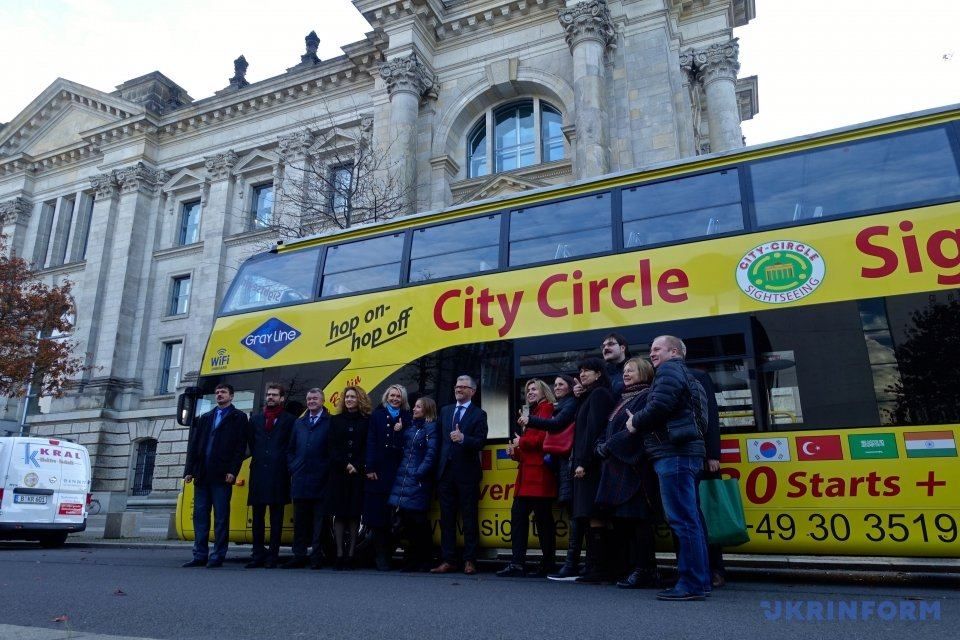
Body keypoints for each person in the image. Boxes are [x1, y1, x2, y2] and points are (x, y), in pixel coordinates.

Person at [625, 335, 710, 601]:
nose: (651, 354)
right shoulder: (687, 376)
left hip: (674, 455)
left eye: (656, 349)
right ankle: (699, 580)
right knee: (690, 519)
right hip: (684, 454)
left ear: (674, 351)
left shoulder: (669, 370)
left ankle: (691, 583)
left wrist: (635, 422)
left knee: (682, 520)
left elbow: (660, 406)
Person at [595, 357, 660, 589]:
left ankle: (645, 569)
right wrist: (601, 444)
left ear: (644, 372)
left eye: (630, 370)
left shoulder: (646, 396)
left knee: (639, 520)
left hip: (635, 468)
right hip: (617, 467)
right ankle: (633, 567)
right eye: (624, 370)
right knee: (624, 521)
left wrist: (609, 445)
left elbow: (638, 429)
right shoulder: (621, 399)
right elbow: (608, 429)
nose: (625, 373)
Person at [182, 383, 248, 568]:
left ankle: (218, 555)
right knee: (200, 516)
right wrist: (189, 471)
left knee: (221, 517)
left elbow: (240, 448)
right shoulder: (206, 418)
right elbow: (194, 446)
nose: (219, 395)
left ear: (231, 396)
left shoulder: (239, 417)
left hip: (222, 476)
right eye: (217, 392)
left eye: (223, 392)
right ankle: (200, 554)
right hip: (202, 474)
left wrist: (233, 472)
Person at [498, 378, 558, 577]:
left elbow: (541, 440)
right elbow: (528, 447)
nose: (530, 392)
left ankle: (545, 563)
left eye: (534, 389)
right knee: (521, 519)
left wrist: (520, 441)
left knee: (542, 522)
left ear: (543, 391)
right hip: (528, 475)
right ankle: (518, 562)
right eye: (528, 390)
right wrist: (514, 451)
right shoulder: (531, 412)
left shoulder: (547, 408)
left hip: (539, 475)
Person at [432, 375, 489, 575]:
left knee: (469, 518)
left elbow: (481, 441)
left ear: (472, 391)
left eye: (463, 387)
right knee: (447, 519)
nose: (459, 389)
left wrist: (464, 438)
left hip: (467, 474)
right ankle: (448, 560)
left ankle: (470, 560)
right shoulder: (446, 411)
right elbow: (439, 441)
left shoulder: (479, 414)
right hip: (446, 474)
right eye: (457, 386)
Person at [569, 358, 616, 584]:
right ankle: (594, 566)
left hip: (592, 465)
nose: (582, 373)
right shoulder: (591, 395)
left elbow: (594, 431)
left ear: (599, 374)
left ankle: (599, 568)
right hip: (588, 463)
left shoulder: (599, 395)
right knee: (589, 516)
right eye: (580, 370)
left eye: (587, 370)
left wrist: (584, 463)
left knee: (595, 516)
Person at [245, 382, 295, 569]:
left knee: (276, 518)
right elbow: (252, 442)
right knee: (257, 517)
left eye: (274, 395)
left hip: (278, 473)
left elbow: (291, 445)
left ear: (282, 398)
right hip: (258, 473)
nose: (271, 397)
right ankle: (257, 554)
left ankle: (272, 556)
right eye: (269, 395)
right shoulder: (256, 419)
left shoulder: (289, 420)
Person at [388, 396, 439, 572]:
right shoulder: (410, 428)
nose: (414, 409)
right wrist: (398, 430)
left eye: (418, 407)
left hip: (418, 481)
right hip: (404, 479)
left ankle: (423, 559)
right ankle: (411, 559)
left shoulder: (430, 428)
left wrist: (419, 473)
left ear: (426, 410)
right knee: (408, 523)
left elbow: (431, 454)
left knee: (419, 522)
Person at [363, 384, 411, 570]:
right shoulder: (377, 415)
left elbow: (410, 443)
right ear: (386, 397)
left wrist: (401, 430)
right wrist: (370, 467)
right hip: (379, 472)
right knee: (378, 516)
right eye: (392, 395)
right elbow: (371, 442)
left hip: (400, 471)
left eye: (398, 396)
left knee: (400, 518)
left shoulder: (407, 417)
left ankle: (394, 552)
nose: (394, 399)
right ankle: (381, 556)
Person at [283, 388, 332, 569]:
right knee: (300, 520)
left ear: (322, 400)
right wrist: (293, 467)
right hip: (301, 478)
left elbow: (332, 450)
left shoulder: (330, 422)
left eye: (315, 398)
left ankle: (316, 556)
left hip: (321, 479)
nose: (311, 401)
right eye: (309, 398)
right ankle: (299, 555)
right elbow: (290, 449)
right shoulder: (299, 423)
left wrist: (325, 468)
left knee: (319, 522)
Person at [687, 361, 725, 588]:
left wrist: (713, 454)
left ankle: (715, 568)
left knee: (702, 514)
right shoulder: (658, 378)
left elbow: (710, 416)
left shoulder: (697, 376)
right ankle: (693, 568)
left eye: (657, 350)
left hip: (699, 456)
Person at [328, 386, 370, 569]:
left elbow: (369, 446)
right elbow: (331, 447)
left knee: (354, 515)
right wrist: (345, 464)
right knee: (339, 514)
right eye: (347, 397)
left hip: (358, 474)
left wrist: (357, 465)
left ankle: (351, 554)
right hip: (339, 473)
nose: (349, 400)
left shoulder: (367, 421)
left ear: (359, 399)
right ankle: (339, 554)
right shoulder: (335, 420)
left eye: (353, 397)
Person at [601, 333, 630, 398]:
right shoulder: (601, 373)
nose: (605, 348)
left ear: (622, 348)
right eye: (603, 346)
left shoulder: (636, 369)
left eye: (610, 344)